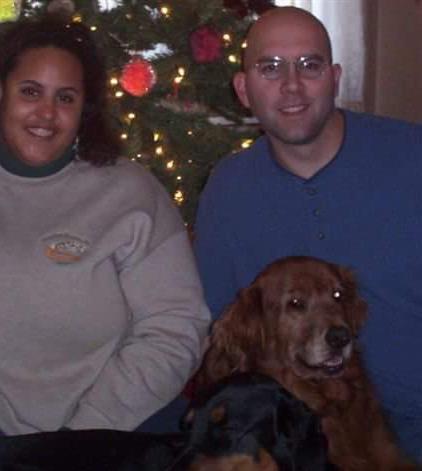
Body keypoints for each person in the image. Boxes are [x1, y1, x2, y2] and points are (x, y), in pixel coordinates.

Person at [194, 6, 422, 463]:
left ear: (334, 78)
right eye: (271, 68)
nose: (292, 85)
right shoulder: (228, 189)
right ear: (244, 89)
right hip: (305, 442)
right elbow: (209, 332)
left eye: (309, 65)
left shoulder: (412, 157)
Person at [0, 15, 210, 434]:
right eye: (30, 92)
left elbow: (176, 329)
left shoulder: (132, 194)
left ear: (85, 109)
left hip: (108, 438)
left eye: (65, 98)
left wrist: (89, 431)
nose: (46, 113)